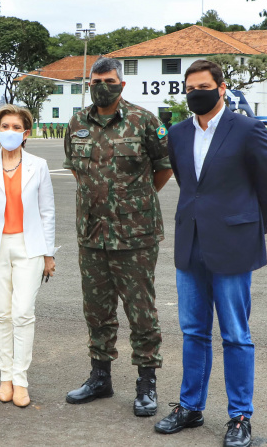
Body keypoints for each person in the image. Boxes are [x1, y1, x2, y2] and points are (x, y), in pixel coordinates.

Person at [157, 60, 267, 447]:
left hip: (233, 246)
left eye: (203, 86)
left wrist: (249, 230)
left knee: (236, 335)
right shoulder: (177, 133)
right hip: (190, 243)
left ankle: (240, 417)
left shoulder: (247, 129)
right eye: (190, 87)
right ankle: (190, 406)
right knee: (193, 331)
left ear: (222, 88)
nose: (196, 92)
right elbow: (187, 183)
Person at [63, 57, 174, 418]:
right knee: (97, 310)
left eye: (108, 80)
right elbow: (80, 174)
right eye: (96, 80)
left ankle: (146, 383)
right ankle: (100, 377)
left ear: (121, 85)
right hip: (92, 233)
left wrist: (130, 201)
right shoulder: (77, 123)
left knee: (141, 312)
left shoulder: (144, 121)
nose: (101, 86)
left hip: (134, 235)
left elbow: (163, 167)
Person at [0, 104, 57, 408]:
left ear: (26, 133)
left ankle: (21, 380)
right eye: (5, 126)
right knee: (1, 314)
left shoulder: (39, 166)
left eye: (17, 128)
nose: (10, 132)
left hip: (29, 247)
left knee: (23, 313)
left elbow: (47, 213)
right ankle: (5, 377)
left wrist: (48, 254)